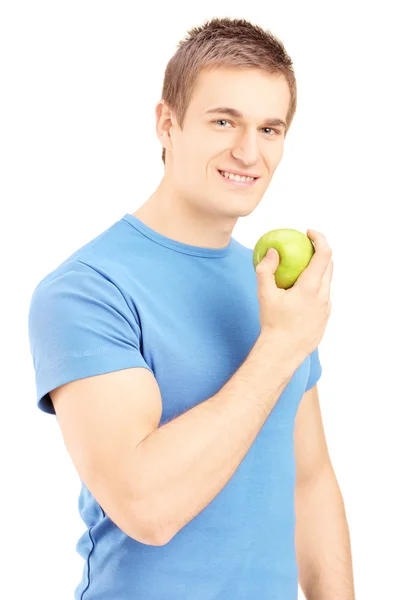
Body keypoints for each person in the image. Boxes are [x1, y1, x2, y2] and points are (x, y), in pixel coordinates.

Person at [28, 16, 354, 600]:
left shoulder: (274, 283)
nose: (248, 152)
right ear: (167, 124)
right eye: (224, 121)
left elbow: (310, 481)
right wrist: (280, 345)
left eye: (270, 128)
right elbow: (145, 506)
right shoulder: (87, 289)